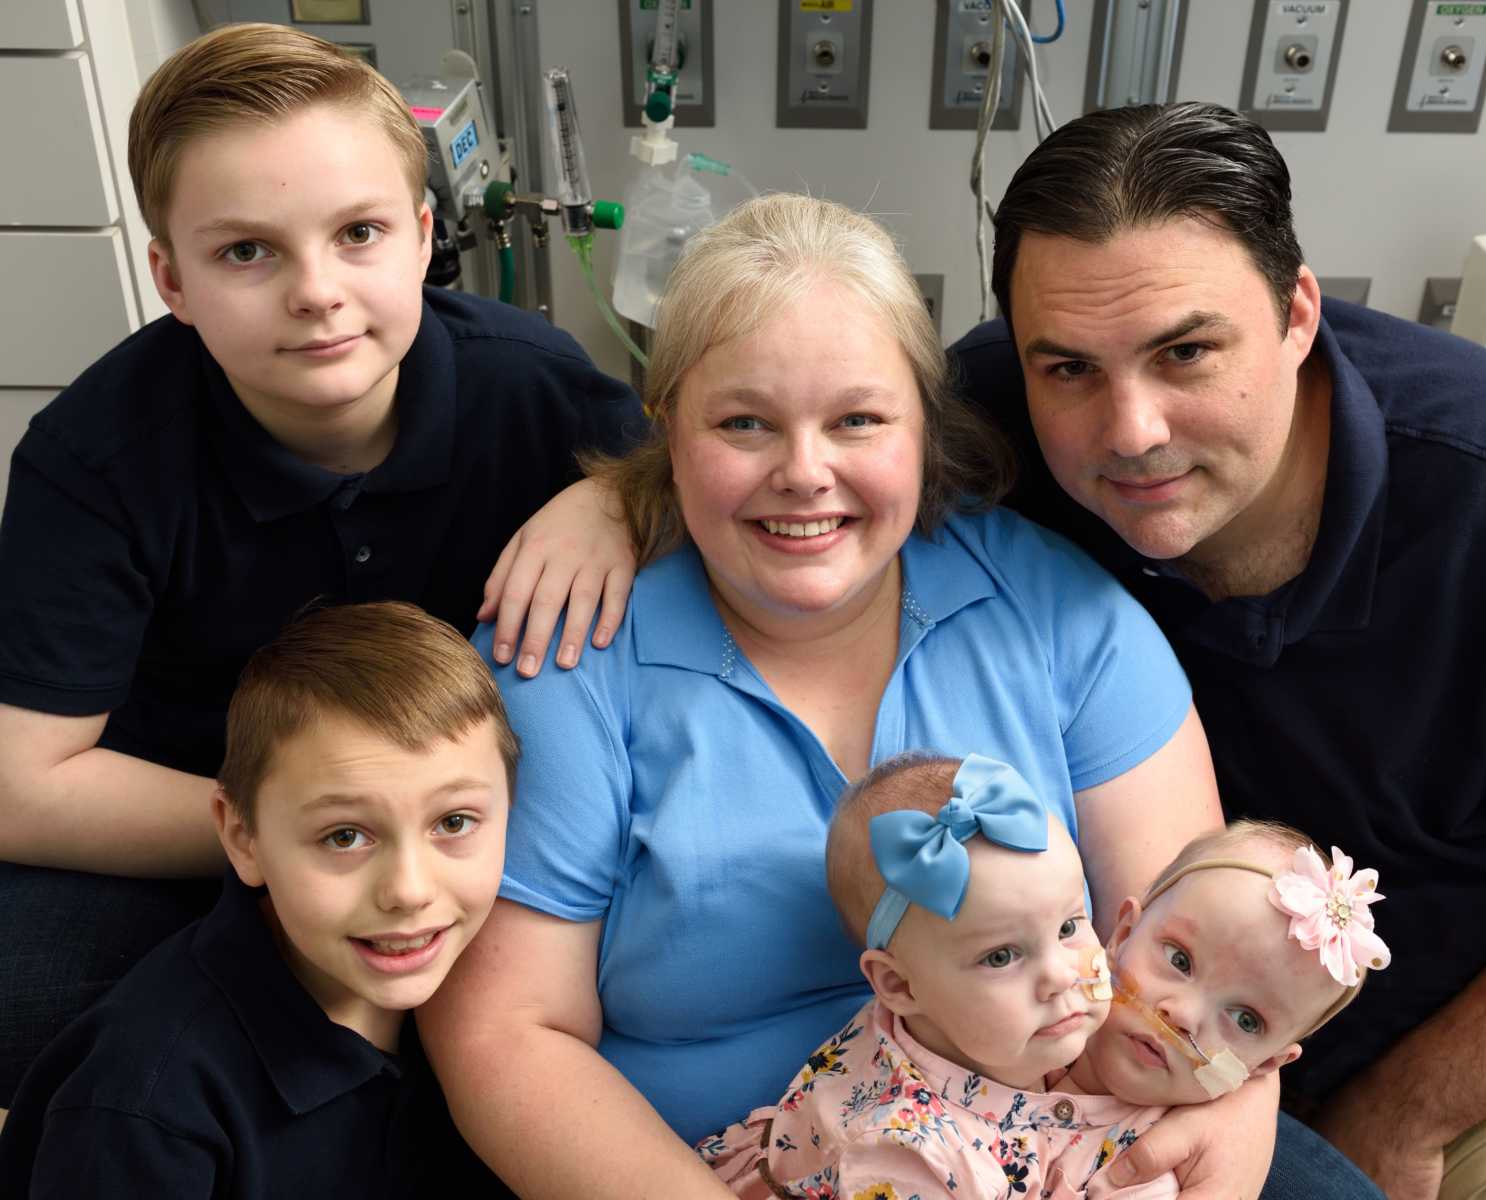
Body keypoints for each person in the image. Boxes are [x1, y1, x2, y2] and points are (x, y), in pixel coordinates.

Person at [420, 193, 1260, 1200]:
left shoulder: (1061, 619)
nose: (804, 473)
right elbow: (509, 1036)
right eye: (744, 424)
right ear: (669, 429)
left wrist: (1218, 1124)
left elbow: (1203, 959)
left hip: (1080, 1155)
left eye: (857, 420)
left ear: (921, 423)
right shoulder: (563, 658)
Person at [944, 101, 1486, 1200]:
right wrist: (617, 514)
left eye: (1187, 352)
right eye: (1066, 370)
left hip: (1468, 1052)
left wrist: (1405, 1115)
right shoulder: (992, 421)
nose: (1130, 429)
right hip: (1102, 1049)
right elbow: (778, 460)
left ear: (1298, 313)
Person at [0, 22, 641, 1102]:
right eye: (247, 251)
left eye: (358, 233)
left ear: (425, 234)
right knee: (28, 1010)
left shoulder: (540, 394)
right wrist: (301, 845)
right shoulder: (97, 455)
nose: (316, 291)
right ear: (171, 277)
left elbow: (722, 494)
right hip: (197, 813)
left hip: (460, 823)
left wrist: (619, 496)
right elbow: (24, 787)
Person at [0, 602, 517, 1197]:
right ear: (243, 838)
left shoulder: (489, 1018)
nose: (409, 890)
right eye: (344, 836)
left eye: (453, 822)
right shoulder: (144, 1110)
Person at [699, 755, 1388, 1200]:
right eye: (1002, 956)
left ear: (1265, 1066)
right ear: (1124, 931)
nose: (1062, 975)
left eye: (1246, 1021)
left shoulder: (1136, 1162)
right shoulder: (907, 1150)